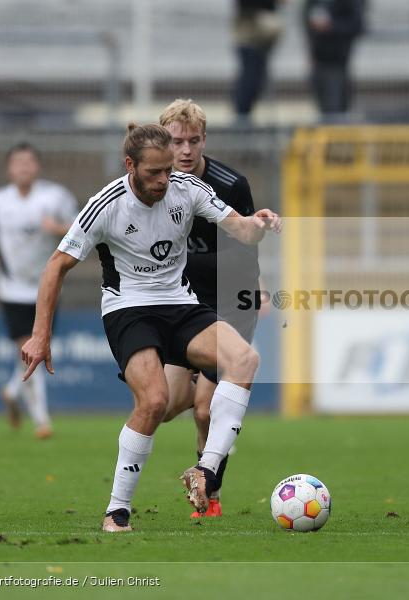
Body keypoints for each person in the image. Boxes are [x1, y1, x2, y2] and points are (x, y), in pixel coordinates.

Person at [20, 123, 281, 532]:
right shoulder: (105, 205)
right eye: (154, 172)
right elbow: (56, 266)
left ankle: (206, 472)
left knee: (245, 359)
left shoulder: (186, 188)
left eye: (167, 171)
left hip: (180, 304)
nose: (164, 180)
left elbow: (241, 229)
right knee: (155, 401)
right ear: (130, 165)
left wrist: (259, 222)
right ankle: (117, 510)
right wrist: (40, 335)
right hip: (130, 310)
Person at [158, 98, 262, 518]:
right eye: (176, 141)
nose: (185, 150)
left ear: (205, 140)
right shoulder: (153, 183)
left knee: (206, 407)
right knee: (162, 406)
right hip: (181, 303)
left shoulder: (231, 184)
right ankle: (206, 396)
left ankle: (209, 494)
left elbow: (246, 247)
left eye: (193, 141)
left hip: (228, 304)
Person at [0, 142, 78, 440]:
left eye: (29, 161)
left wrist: (57, 228)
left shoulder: (55, 196)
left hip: (45, 286)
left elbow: (81, 229)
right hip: (11, 288)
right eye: (18, 162)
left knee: (35, 349)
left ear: (38, 166)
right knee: (29, 349)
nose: (24, 167)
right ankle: (42, 420)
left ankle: (11, 390)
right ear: (9, 168)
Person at [303, 0, 365, 120]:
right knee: (325, 111)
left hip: (337, 63)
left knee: (334, 112)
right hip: (319, 61)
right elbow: (307, 21)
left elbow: (358, 25)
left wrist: (331, 26)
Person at [233, 0, 286, 121]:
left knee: (255, 77)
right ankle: (242, 118)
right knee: (250, 78)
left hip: (254, 29)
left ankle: (243, 117)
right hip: (251, 27)